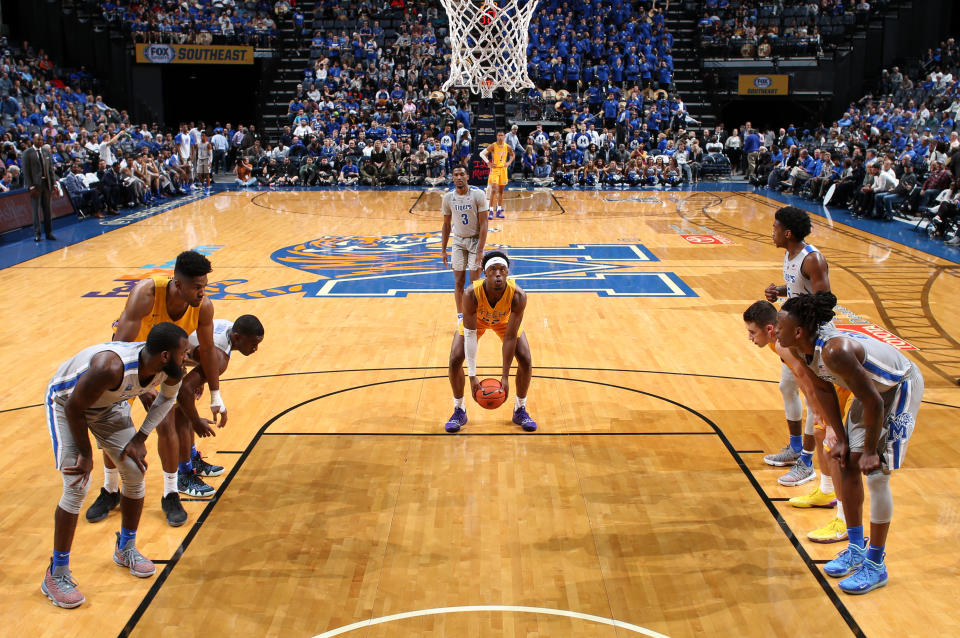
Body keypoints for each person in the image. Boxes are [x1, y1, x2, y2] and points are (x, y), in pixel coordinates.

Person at [777, 291, 924, 594]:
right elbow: (825, 392)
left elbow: (874, 401)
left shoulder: (835, 351)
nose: (776, 331)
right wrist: (840, 439)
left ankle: (876, 564)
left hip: (897, 388)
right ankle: (856, 548)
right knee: (845, 463)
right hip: (870, 393)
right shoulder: (803, 350)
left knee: (877, 475)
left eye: (780, 326)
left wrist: (870, 450)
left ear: (799, 331)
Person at [41, 322, 189, 608]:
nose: (187, 356)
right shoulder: (110, 367)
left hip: (109, 405)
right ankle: (56, 573)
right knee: (76, 484)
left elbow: (165, 401)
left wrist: (140, 437)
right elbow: (74, 408)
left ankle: (126, 548)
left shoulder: (170, 370)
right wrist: (86, 454)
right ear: (164, 356)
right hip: (67, 404)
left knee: (134, 471)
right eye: (183, 352)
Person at [84, 251, 224, 528]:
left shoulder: (203, 306)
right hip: (128, 363)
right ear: (178, 284)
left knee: (167, 423)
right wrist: (137, 388)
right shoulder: (145, 294)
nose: (202, 292)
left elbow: (207, 350)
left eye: (205, 286)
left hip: (165, 363)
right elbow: (118, 348)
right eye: (197, 287)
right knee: (113, 423)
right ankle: (111, 490)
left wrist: (216, 395)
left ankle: (170, 493)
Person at [743, 300, 852, 543]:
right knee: (821, 435)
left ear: (770, 329)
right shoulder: (780, 342)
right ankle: (826, 491)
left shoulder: (782, 345)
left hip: (842, 387)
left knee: (833, 447)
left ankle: (845, 521)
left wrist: (819, 409)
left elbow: (807, 377)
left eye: (752, 332)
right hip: (829, 385)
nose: (749, 337)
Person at [763, 206, 831, 487]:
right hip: (794, 334)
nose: (773, 232)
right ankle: (794, 448)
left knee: (811, 399)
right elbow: (799, 289)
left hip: (812, 338)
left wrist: (801, 331)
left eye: (776, 228)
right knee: (786, 387)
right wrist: (780, 291)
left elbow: (825, 303)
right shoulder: (790, 255)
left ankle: (807, 461)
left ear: (788, 233)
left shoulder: (812, 259)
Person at [444, 251, 536, 433]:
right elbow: (470, 335)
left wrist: (504, 376)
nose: (498, 273)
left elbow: (510, 337)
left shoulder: (518, 295)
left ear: (508, 273)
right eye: (493, 270)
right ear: (485, 273)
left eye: (502, 269)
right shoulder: (471, 294)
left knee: (525, 359)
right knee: (455, 359)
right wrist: (472, 376)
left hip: (504, 322)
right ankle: (459, 410)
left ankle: (520, 409)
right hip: (476, 322)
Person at [174, 316, 264, 497]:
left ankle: (191, 459)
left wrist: (201, 376)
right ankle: (183, 475)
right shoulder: (220, 357)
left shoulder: (228, 327)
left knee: (185, 407)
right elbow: (184, 390)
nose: (255, 349)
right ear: (237, 338)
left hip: (175, 350)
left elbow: (198, 353)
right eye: (253, 344)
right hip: (158, 358)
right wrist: (196, 421)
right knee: (181, 415)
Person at [441, 166, 490, 319]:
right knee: (459, 281)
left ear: (467, 176)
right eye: (455, 175)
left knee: (475, 282)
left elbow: (484, 224)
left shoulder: (478, 195)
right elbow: (446, 225)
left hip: (475, 241)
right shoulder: (448, 198)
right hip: (458, 241)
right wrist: (443, 250)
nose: (459, 177)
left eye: (462, 174)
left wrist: (480, 250)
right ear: (452, 177)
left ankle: (475, 314)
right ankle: (461, 316)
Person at [23, 133, 56, 241]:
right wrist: (30, 186)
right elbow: (26, 171)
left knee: (48, 210)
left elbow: (50, 169)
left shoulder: (46, 151)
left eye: (42, 140)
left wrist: (54, 183)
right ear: (33, 140)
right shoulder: (27, 153)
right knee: (36, 211)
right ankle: (37, 234)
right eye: (38, 139)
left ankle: (49, 233)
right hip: (35, 186)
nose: (40, 141)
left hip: (46, 184)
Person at [480, 130, 515, 220]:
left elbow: (512, 155)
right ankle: (491, 211)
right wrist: (488, 162)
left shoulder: (507, 147)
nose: (500, 137)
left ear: (504, 137)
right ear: (497, 136)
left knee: (501, 192)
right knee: (493, 190)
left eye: (502, 135)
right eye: (499, 135)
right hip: (495, 170)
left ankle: (498, 210)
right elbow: (482, 154)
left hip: (503, 170)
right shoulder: (493, 146)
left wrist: (509, 163)